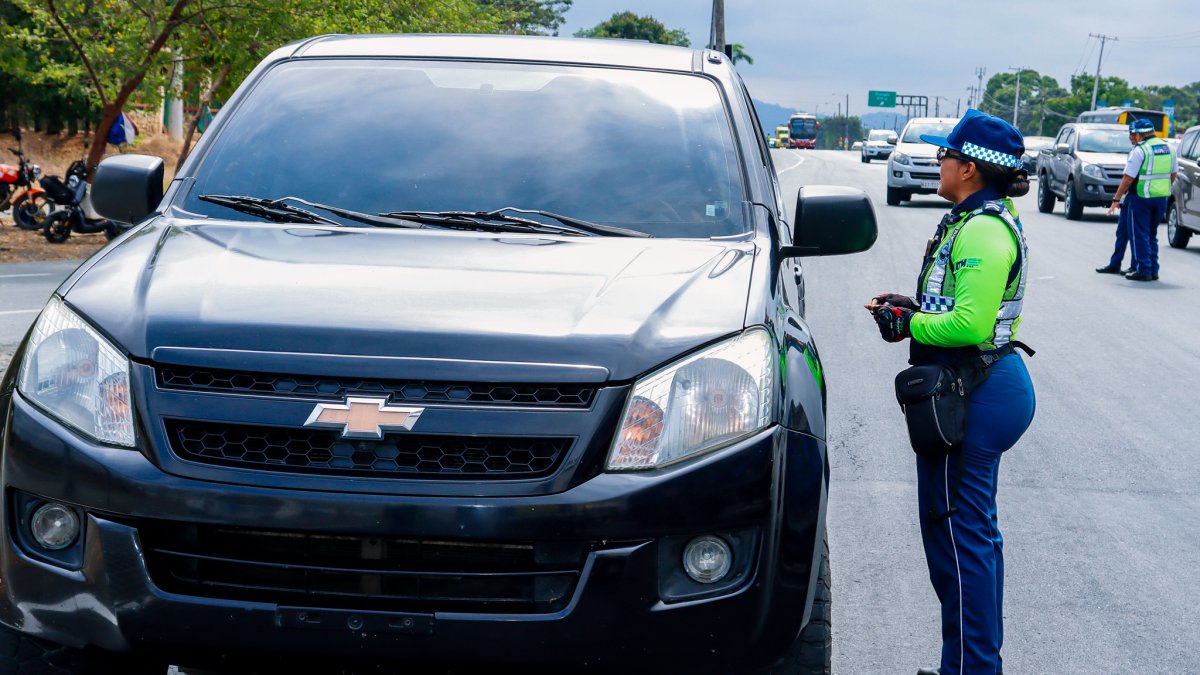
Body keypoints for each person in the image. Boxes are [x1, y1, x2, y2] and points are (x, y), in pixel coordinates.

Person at [865, 109, 1036, 675]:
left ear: (968, 169)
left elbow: (968, 325)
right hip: (977, 386)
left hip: (975, 392)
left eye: (945, 156)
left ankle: (969, 669)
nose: (938, 163)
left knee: (959, 543)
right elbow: (958, 309)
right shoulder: (975, 220)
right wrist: (913, 308)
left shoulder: (983, 230)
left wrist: (906, 326)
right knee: (969, 539)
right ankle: (968, 664)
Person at [1101, 118, 1177, 281]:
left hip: (1141, 197)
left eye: (1131, 134)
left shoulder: (1140, 150)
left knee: (1139, 234)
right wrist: (1163, 188)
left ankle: (1143, 270)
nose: (1130, 137)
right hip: (1161, 197)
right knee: (1151, 235)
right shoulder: (1169, 147)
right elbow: (1173, 173)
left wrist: (1116, 199)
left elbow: (1128, 178)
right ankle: (1153, 269)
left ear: (1139, 134)